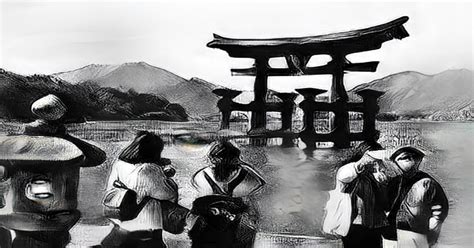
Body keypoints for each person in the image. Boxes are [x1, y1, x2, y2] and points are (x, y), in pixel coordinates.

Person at [101, 131, 180, 248]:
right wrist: (166, 177)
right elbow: (169, 195)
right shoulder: (149, 169)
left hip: (119, 226)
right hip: (145, 230)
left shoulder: (119, 163)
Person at [190, 140, 266, 248]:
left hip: (234, 225)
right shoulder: (203, 175)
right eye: (219, 158)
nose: (221, 161)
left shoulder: (246, 175)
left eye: (225, 158)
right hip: (214, 224)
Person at [384, 146, 449, 248]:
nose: (410, 160)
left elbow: (440, 208)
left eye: (412, 157)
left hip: (415, 233)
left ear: (418, 160)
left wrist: (434, 226)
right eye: (403, 158)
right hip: (390, 234)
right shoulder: (394, 182)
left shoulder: (427, 183)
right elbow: (384, 204)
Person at [335, 151, 390, 248]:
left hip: (374, 226)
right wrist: (361, 163)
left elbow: (385, 203)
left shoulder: (377, 177)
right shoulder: (350, 174)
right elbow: (343, 175)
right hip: (354, 226)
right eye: (374, 160)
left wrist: (383, 183)